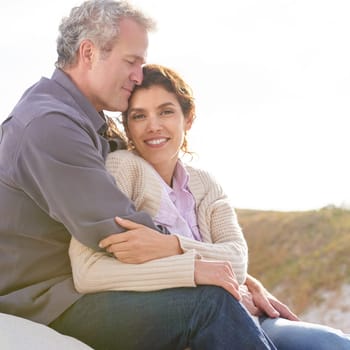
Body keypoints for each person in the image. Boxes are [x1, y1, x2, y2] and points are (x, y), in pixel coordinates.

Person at [0, 1, 276, 349]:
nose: (138, 75)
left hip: (86, 287)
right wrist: (204, 264)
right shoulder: (50, 125)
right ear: (88, 53)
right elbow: (120, 233)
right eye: (131, 61)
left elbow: (155, 239)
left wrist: (234, 272)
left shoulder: (90, 120)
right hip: (47, 301)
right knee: (209, 307)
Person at [69, 63, 350, 350]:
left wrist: (172, 247)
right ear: (127, 126)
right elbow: (90, 270)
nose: (153, 125)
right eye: (139, 116)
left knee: (333, 343)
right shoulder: (121, 169)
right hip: (188, 316)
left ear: (188, 118)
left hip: (237, 309)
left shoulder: (205, 184)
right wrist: (194, 271)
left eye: (166, 111)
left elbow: (237, 260)